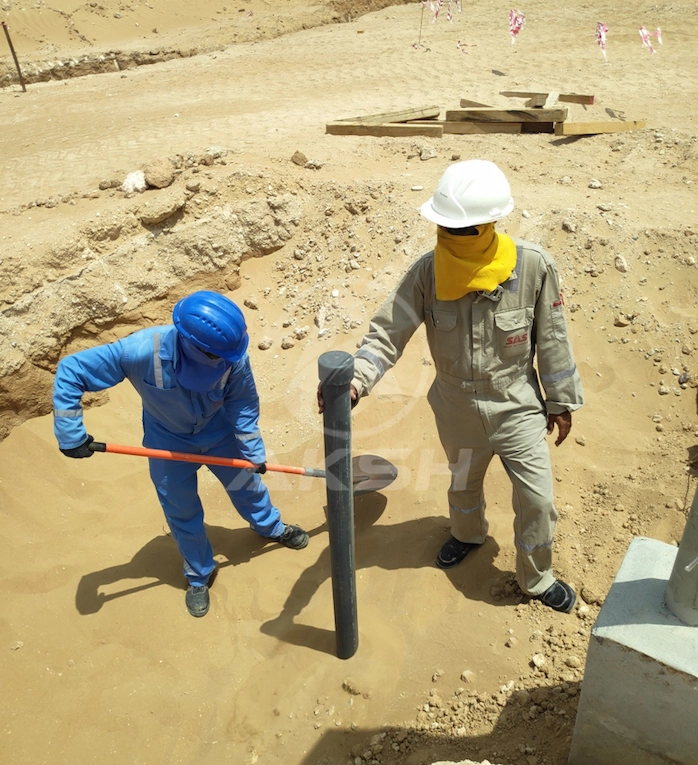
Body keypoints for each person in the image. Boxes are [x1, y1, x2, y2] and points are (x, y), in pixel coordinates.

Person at [318, 160, 584, 613]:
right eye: (446, 226)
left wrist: (560, 401)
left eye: (463, 228)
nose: (451, 236)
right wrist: (355, 381)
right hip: (455, 407)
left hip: (516, 405)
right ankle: (467, 535)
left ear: (490, 223)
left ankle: (537, 578)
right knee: (463, 485)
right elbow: (386, 334)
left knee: (537, 500)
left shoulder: (533, 267)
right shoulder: (427, 273)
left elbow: (554, 337)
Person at [53, 290, 309, 618]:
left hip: (219, 435)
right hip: (167, 443)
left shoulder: (233, 357)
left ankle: (271, 527)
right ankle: (199, 574)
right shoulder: (140, 351)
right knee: (180, 510)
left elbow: (243, 405)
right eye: (215, 357)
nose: (224, 362)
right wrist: (70, 434)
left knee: (246, 486)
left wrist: (253, 453)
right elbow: (71, 372)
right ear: (191, 344)